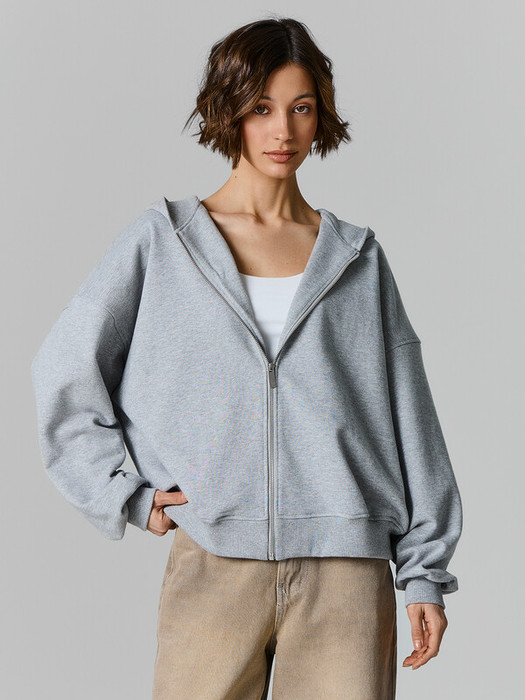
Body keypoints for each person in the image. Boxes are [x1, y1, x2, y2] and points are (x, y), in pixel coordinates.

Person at [30, 16, 463, 700]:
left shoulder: (356, 258)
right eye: (261, 108)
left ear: (320, 116)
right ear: (228, 110)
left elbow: (411, 421)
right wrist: (123, 494)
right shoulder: (163, 243)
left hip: (346, 571)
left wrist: (423, 572)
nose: (282, 131)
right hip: (214, 561)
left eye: (300, 108)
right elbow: (64, 370)